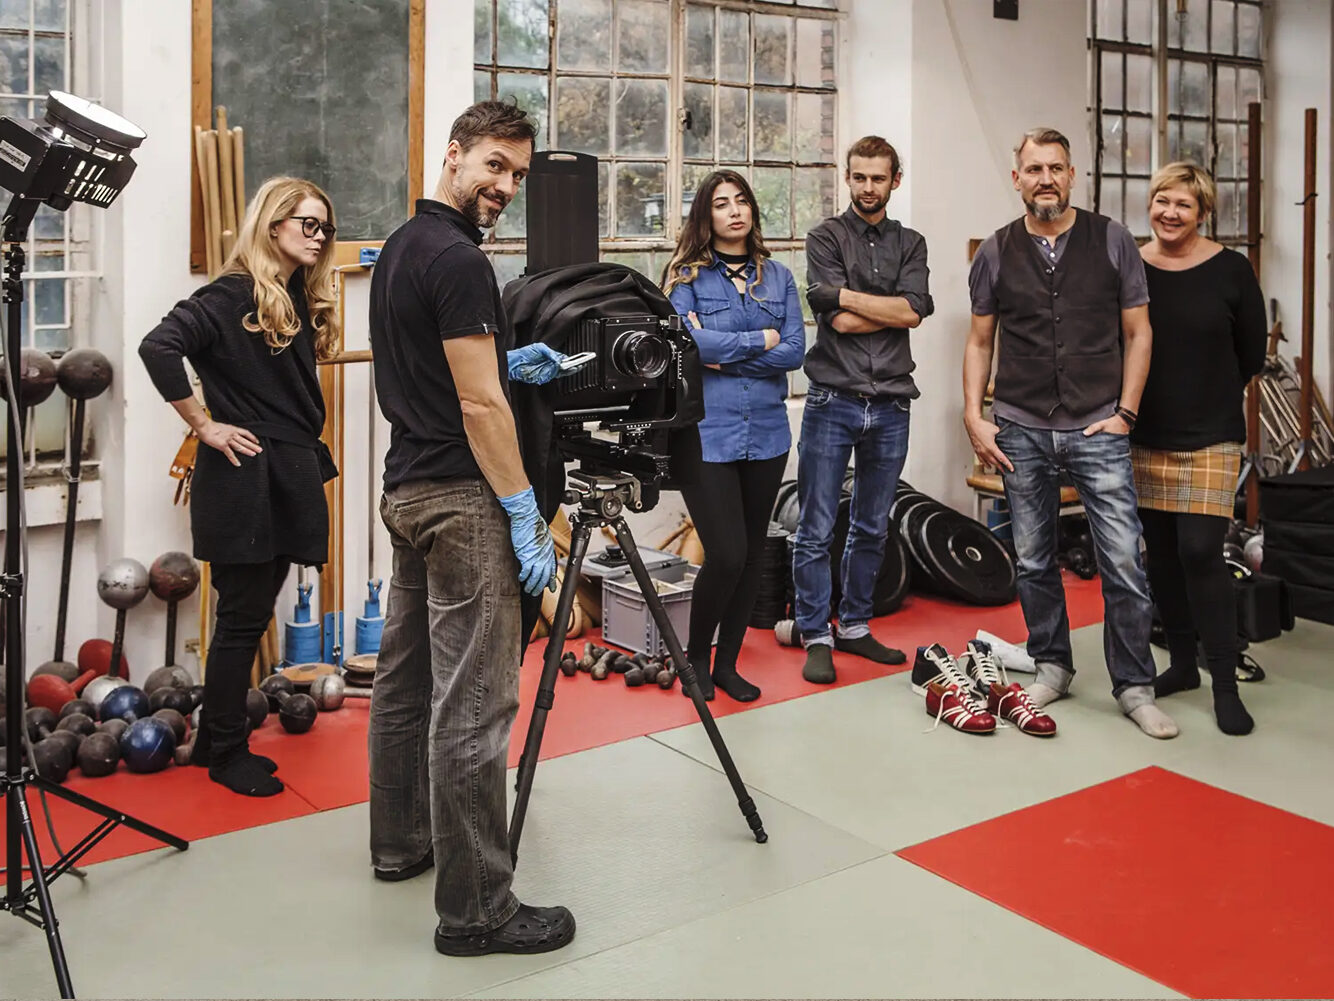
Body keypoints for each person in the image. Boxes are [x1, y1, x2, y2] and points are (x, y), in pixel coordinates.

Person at [366, 99, 575, 958]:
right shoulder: (459, 260)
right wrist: (525, 508)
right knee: (476, 705)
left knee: (405, 683)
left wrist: (508, 363)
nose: (506, 186)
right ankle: (478, 909)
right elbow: (480, 404)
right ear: (454, 154)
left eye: (518, 174)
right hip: (461, 499)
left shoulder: (402, 247)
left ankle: (399, 843)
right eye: (494, 164)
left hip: (407, 489)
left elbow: (436, 365)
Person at [963, 127, 1174, 739]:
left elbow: (1139, 332)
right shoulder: (996, 251)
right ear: (1017, 179)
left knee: (1124, 561)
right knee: (1033, 559)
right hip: (1020, 426)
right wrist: (973, 414)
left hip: (1097, 425)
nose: (1046, 179)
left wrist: (1125, 413)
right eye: (1034, 169)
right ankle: (1052, 665)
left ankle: (1134, 686)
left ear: (1072, 174)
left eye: (1056, 168)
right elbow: (980, 341)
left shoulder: (1112, 240)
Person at [139, 176, 340, 796]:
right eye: (308, 224)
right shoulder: (230, 295)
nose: (319, 237)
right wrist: (204, 425)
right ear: (272, 225)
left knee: (248, 616)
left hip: (286, 470)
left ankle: (212, 741)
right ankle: (225, 753)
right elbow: (158, 346)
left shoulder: (289, 295)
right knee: (241, 621)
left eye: (325, 228)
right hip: (247, 478)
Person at [661, 170, 805, 702]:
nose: (735, 211)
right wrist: (758, 340)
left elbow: (795, 351)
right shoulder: (685, 278)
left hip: (767, 433)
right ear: (707, 215)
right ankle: (695, 660)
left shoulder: (779, 277)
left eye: (741, 201)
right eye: (721, 204)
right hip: (706, 435)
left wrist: (725, 354)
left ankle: (727, 665)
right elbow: (686, 346)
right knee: (725, 554)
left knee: (751, 556)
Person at [794, 136, 933, 684]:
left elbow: (914, 312)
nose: (868, 187)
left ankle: (853, 625)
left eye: (878, 177)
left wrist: (847, 295)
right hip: (833, 398)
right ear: (847, 177)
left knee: (872, 526)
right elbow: (839, 321)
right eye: (859, 177)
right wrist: (888, 308)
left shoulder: (912, 243)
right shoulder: (825, 237)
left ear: (895, 180)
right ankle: (816, 634)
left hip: (893, 402)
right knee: (816, 526)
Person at [1133, 162, 1266, 735]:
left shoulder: (1232, 269)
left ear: (1202, 213)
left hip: (1211, 434)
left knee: (1200, 552)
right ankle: (1183, 665)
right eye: (1162, 200)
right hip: (1144, 433)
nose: (1170, 213)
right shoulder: (1130, 264)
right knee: (1161, 555)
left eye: (1183, 204)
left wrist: (1206, 393)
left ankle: (1224, 685)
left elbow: (1252, 354)